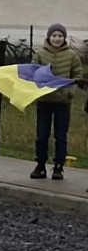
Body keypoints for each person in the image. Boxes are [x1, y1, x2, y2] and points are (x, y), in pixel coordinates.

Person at [30, 23, 83, 181]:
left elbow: (78, 75)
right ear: (49, 37)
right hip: (44, 100)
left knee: (60, 135)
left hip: (63, 102)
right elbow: (33, 72)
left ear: (64, 38)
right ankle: (40, 165)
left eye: (60, 36)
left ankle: (58, 168)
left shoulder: (72, 56)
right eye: (54, 35)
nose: (57, 38)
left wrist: (70, 92)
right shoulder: (40, 54)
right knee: (41, 135)